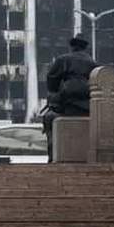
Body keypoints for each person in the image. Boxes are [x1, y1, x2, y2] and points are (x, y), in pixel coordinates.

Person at [42, 33, 98, 161]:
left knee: (49, 118)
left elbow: (52, 79)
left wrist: (55, 91)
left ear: (72, 46)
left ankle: (52, 156)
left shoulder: (63, 59)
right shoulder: (94, 64)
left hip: (67, 102)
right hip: (88, 104)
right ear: (85, 47)